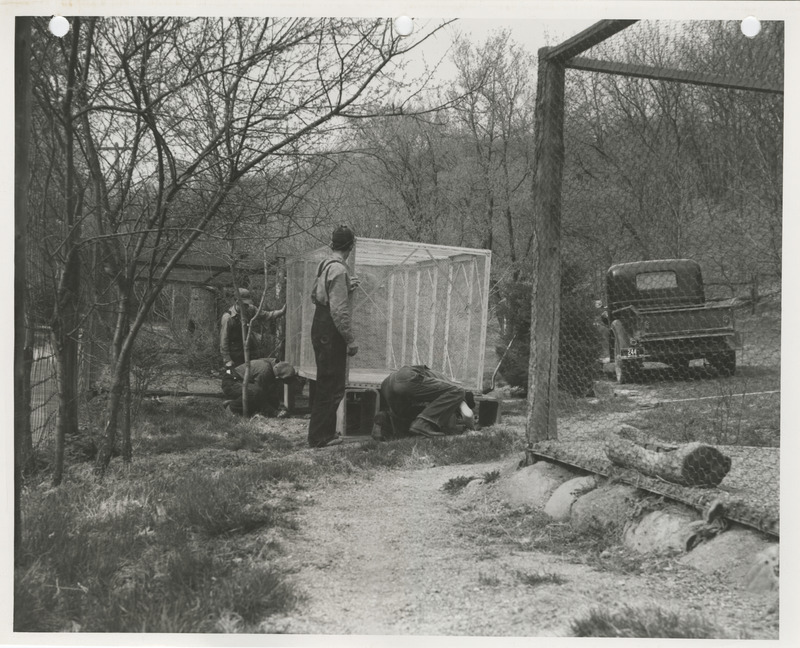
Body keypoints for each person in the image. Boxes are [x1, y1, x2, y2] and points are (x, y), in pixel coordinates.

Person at [307, 225, 361, 448]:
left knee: (324, 382)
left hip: (319, 325)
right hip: (330, 329)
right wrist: (350, 339)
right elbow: (339, 311)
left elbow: (314, 296)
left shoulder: (325, 264)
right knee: (332, 385)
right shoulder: (339, 270)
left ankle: (320, 433)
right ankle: (320, 437)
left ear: (332, 245)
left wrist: (346, 287)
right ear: (350, 246)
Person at [373, 365, 476, 440]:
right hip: (407, 379)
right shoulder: (455, 391)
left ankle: (383, 420)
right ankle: (423, 424)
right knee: (459, 391)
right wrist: (471, 429)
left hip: (388, 383)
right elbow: (467, 414)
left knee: (404, 424)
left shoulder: (439, 386)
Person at [220, 287, 286, 368]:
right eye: (244, 305)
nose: (247, 306)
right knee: (232, 375)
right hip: (234, 352)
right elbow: (224, 340)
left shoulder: (251, 309)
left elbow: (266, 315)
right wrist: (227, 360)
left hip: (248, 348)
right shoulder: (228, 318)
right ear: (237, 302)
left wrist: (281, 312)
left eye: (247, 304)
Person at [221, 358, 296, 417]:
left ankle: (235, 401)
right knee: (254, 394)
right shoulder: (265, 372)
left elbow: (272, 393)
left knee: (260, 396)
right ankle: (232, 408)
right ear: (278, 378)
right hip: (231, 381)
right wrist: (274, 412)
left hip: (242, 381)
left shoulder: (274, 365)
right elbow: (259, 396)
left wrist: (277, 408)